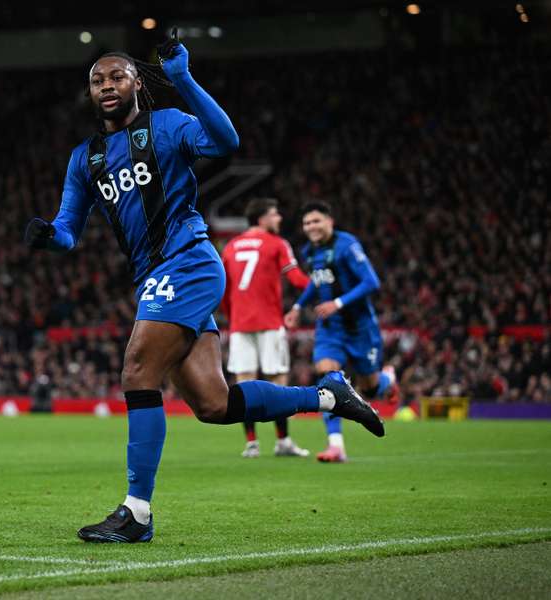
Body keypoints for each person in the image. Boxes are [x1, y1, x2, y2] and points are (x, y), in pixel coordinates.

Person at [25, 33, 383, 543]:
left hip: (188, 261)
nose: (106, 85)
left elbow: (225, 143)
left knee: (137, 370)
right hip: (156, 275)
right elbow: (68, 229)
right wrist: (48, 237)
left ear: (136, 85)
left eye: (116, 76)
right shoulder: (86, 159)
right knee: (215, 405)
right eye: (97, 80)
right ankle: (327, 395)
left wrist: (184, 80)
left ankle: (137, 513)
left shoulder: (167, 125)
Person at [284, 202, 398, 463]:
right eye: (306, 223)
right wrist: (298, 305)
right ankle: (336, 445)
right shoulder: (311, 251)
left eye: (316, 221)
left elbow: (371, 281)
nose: (311, 227)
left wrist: (338, 303)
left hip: (360, 328)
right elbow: (317, 280)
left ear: (329, 222)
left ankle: (387, 380)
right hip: (330, 329)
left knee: (369, 388)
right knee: (330, 379)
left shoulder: (347, 246)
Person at [221, 198, 311, 459]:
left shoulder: (230, 247)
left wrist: (234, 317)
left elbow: (224, 291)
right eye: (275, 214)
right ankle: (283, 441)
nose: (279, 218)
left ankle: (251, 444)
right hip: (270, 322)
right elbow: (295, 278)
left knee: (244, 384)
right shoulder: (277, 244)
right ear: (262, 219)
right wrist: (321, 287)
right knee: (279, 382)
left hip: (239, 324)